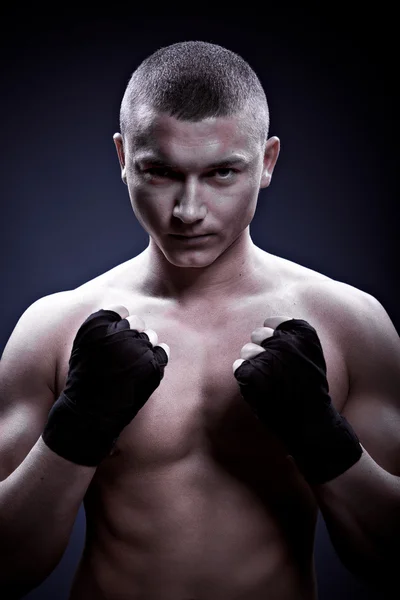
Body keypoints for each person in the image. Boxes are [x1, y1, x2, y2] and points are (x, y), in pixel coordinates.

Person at [0, 40, 399, 600]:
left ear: (266, 163)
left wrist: (322, 438)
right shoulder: (57, 328)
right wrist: (75, 432)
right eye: (160, 172)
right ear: (122, 160)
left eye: (221, 173)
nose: (188, 210)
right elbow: (7, 569)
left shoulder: (348, 324)